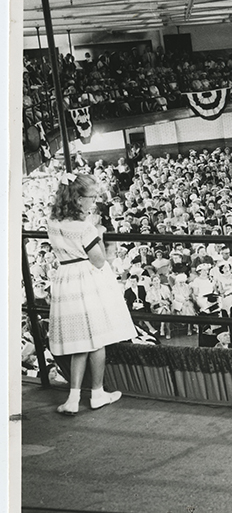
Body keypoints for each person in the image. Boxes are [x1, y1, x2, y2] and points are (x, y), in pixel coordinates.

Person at [47, 172, 136, 415]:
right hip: (88, 281)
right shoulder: (84, 227)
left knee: (80, 342)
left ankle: (73, 398)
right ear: (77, 199)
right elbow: (99, 261)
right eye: (91, 197)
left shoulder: (53, 222)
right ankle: (97, 393)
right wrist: (100, 234)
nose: (94, 202)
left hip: (66, 280)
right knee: (97, 340)